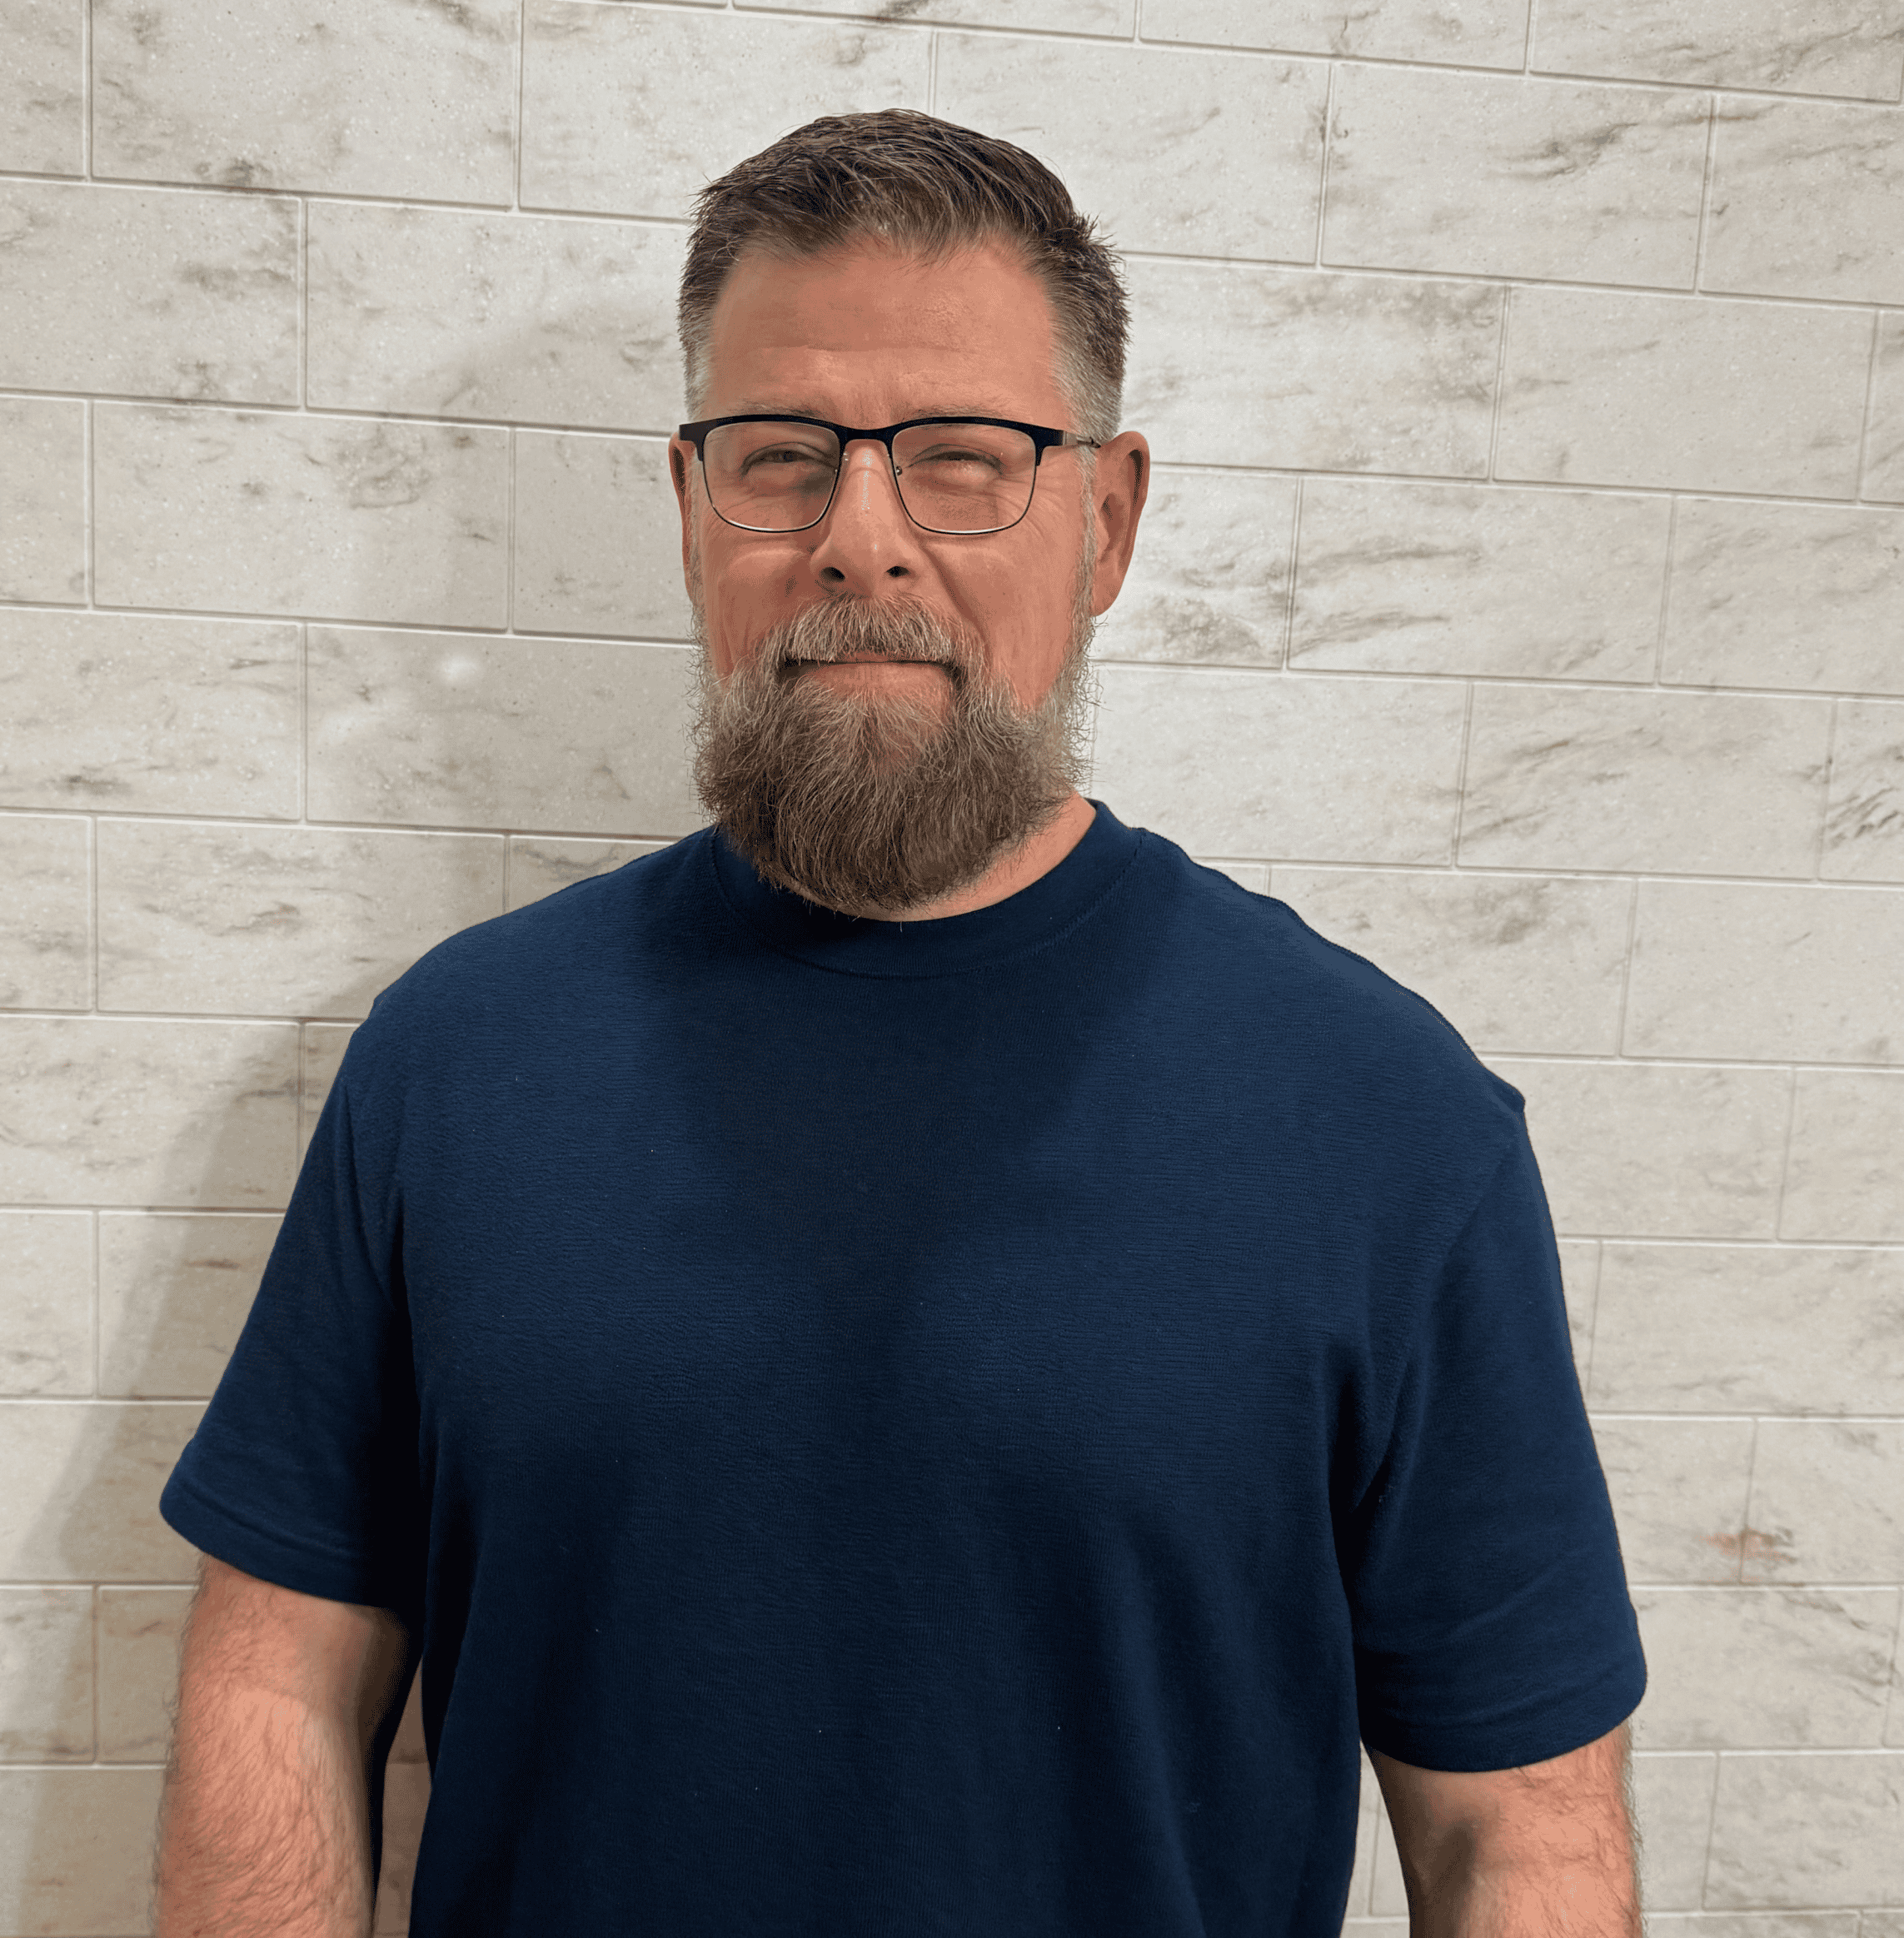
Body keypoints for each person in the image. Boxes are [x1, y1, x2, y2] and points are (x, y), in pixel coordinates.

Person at [154, 110, 1646, 1936]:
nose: (864, 542)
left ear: (1105, 520)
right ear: (696, 509)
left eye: (964, 460)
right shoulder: (455, 1068)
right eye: (784, 458)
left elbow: (1523, 1828)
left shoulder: (1386, 1123)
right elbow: (278, 1680)